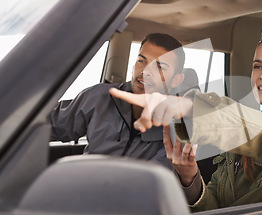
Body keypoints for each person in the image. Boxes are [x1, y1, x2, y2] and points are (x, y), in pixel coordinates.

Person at [110, 30, 262, 211]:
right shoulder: (238, 136)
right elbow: (215, 207)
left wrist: (192, 106)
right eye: (258, 66)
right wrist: (189, 177)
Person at [50, 33, 186, 167]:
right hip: (85, 184)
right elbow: (48, 125)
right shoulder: (100, 96)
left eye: (160, 67)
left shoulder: (179, 126)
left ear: (176, 80)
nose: (145, 71)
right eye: (141, 60)